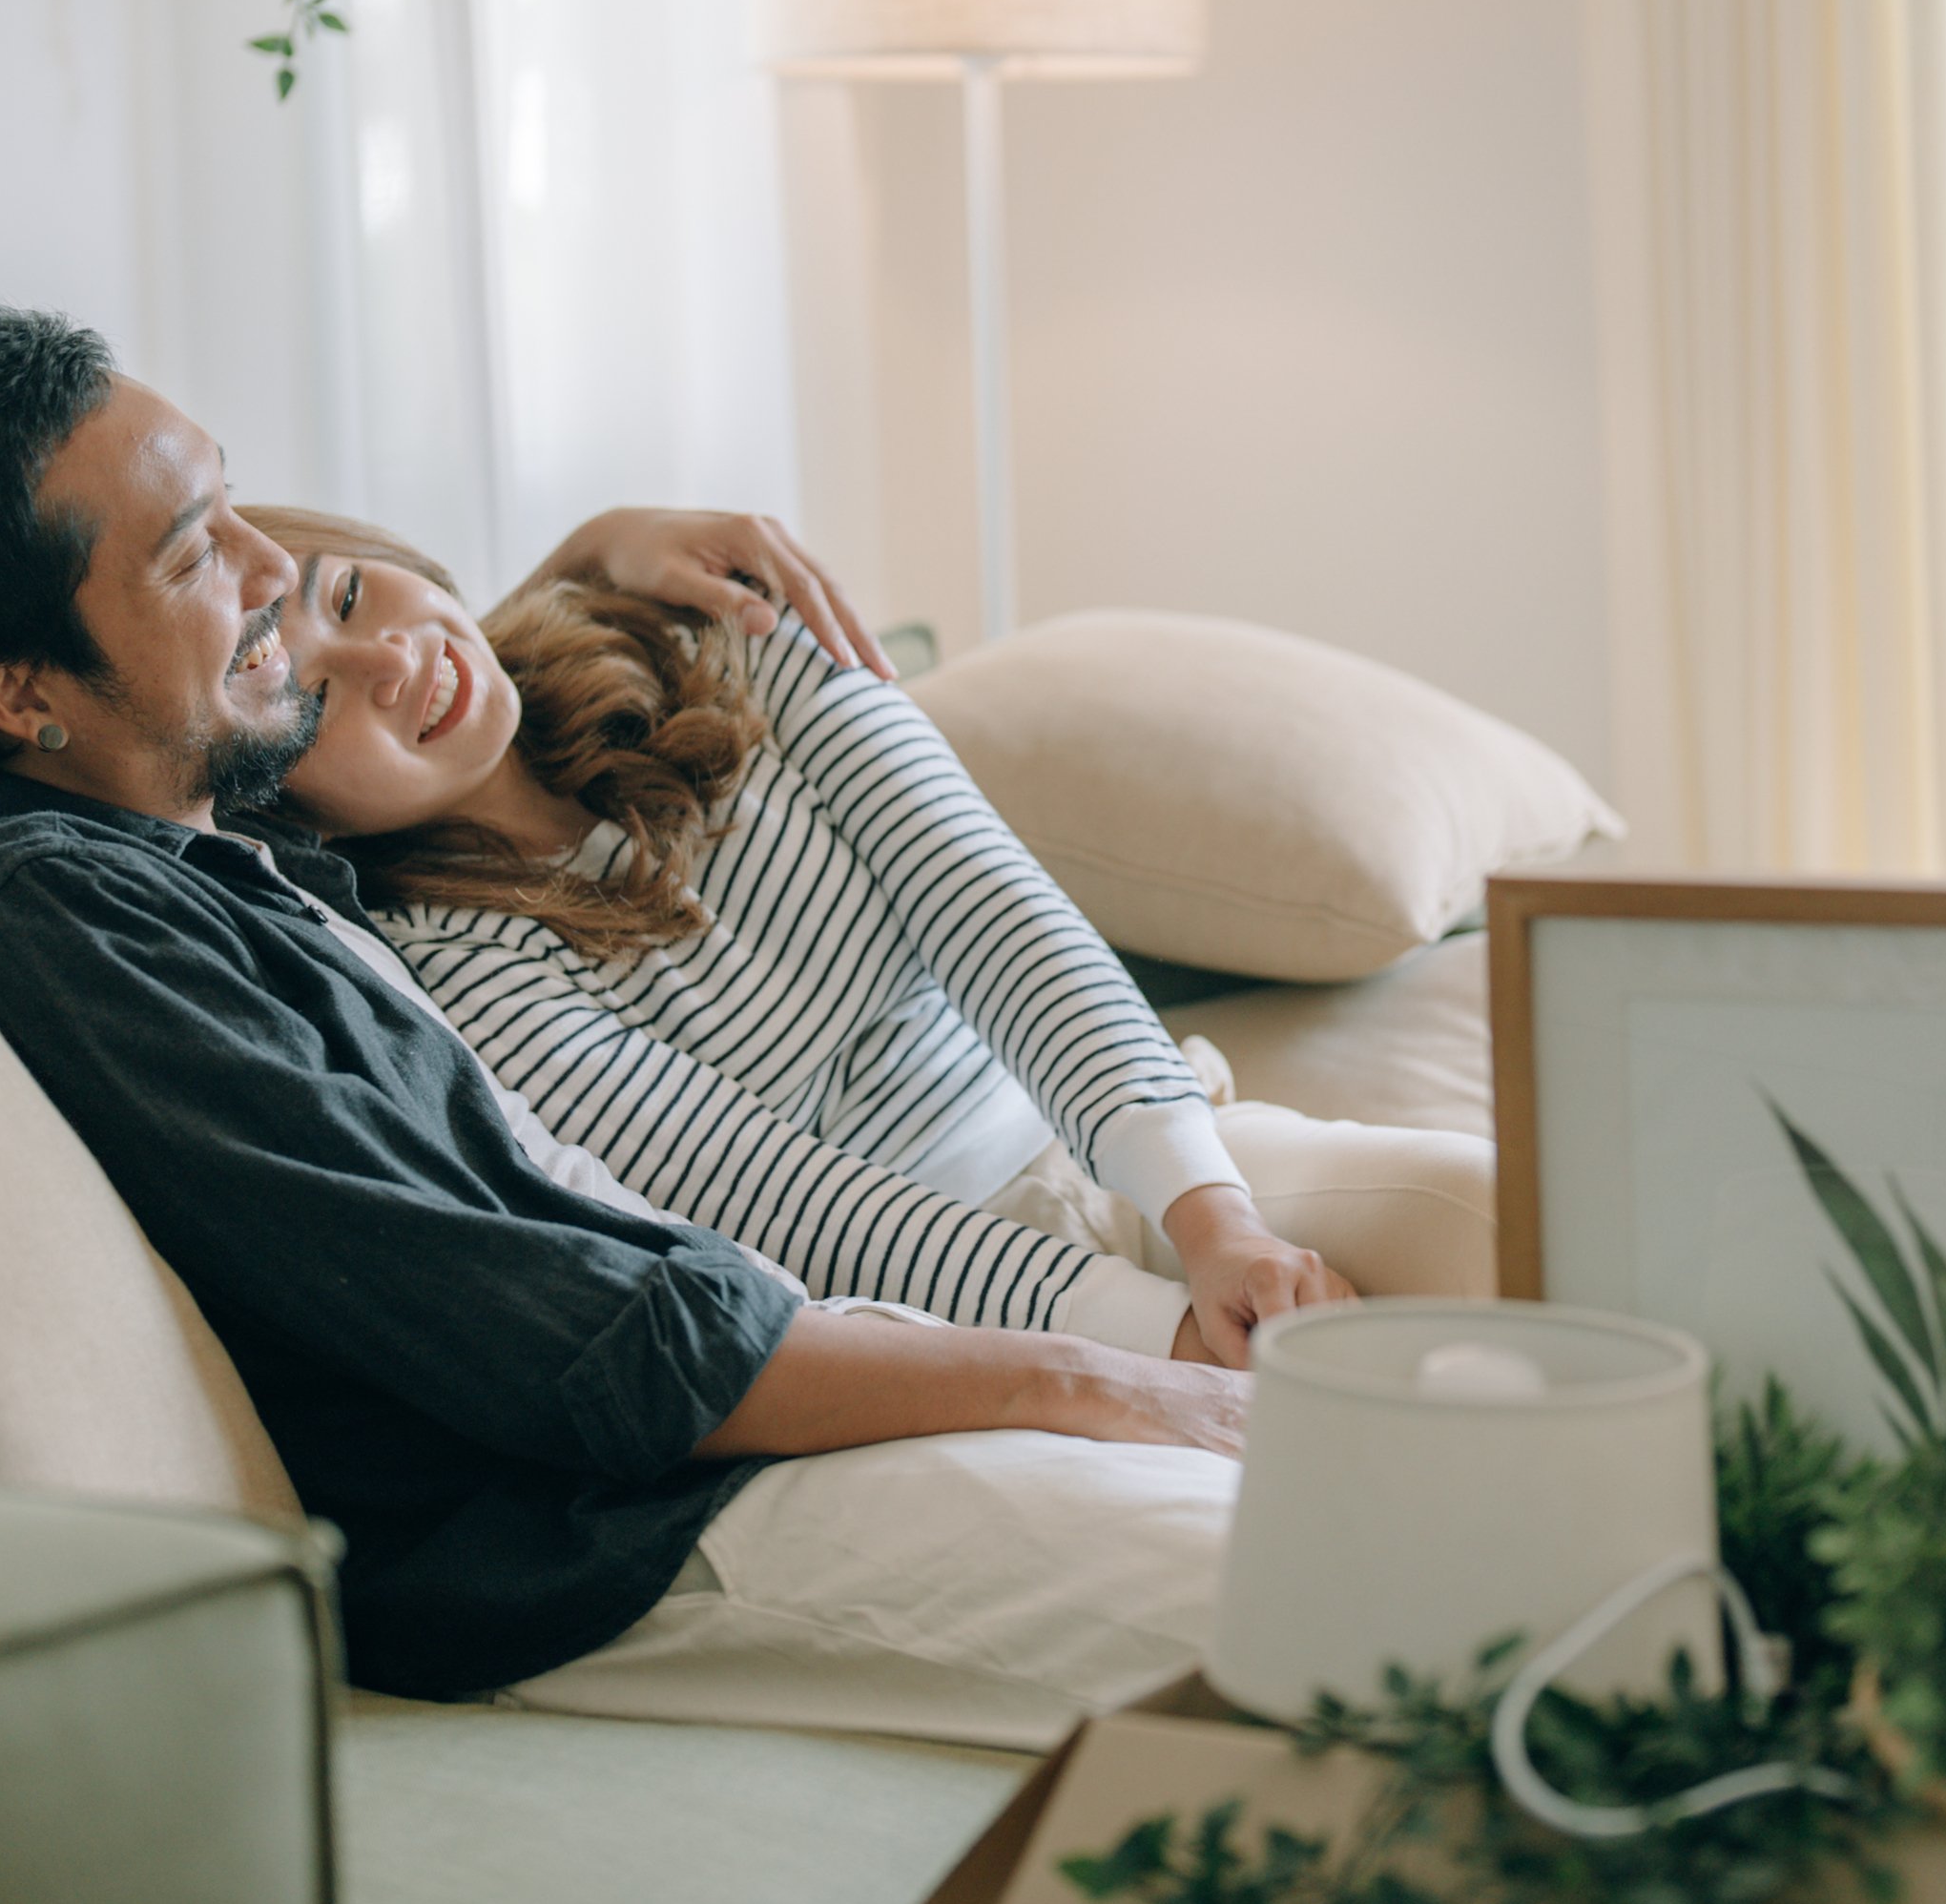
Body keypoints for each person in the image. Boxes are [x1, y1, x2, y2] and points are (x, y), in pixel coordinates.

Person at [0, 309, 1240, 1743]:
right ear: (21, 692)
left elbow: (410, 723)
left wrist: (598, 549)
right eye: (194, 554)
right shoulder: (78, 930)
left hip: (743, 1396)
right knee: (1329, 1585)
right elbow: (564, 1333)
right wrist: (1097, 1381)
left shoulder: (206, 843)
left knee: (1368, 1495)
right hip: (614, 1529)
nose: (271, 571)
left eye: (232, 504)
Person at [240, 506, 1494, 1372]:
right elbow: (781, 1201)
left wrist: (1218, 1227)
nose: (391, 659)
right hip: (929, 1311)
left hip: (1126, 1148)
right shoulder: (446, 975)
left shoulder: (713, 630)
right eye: (318, 697)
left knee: (1500, 1232)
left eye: (347, 594)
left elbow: (991, 904)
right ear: (284, 797)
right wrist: (1162, 1340)